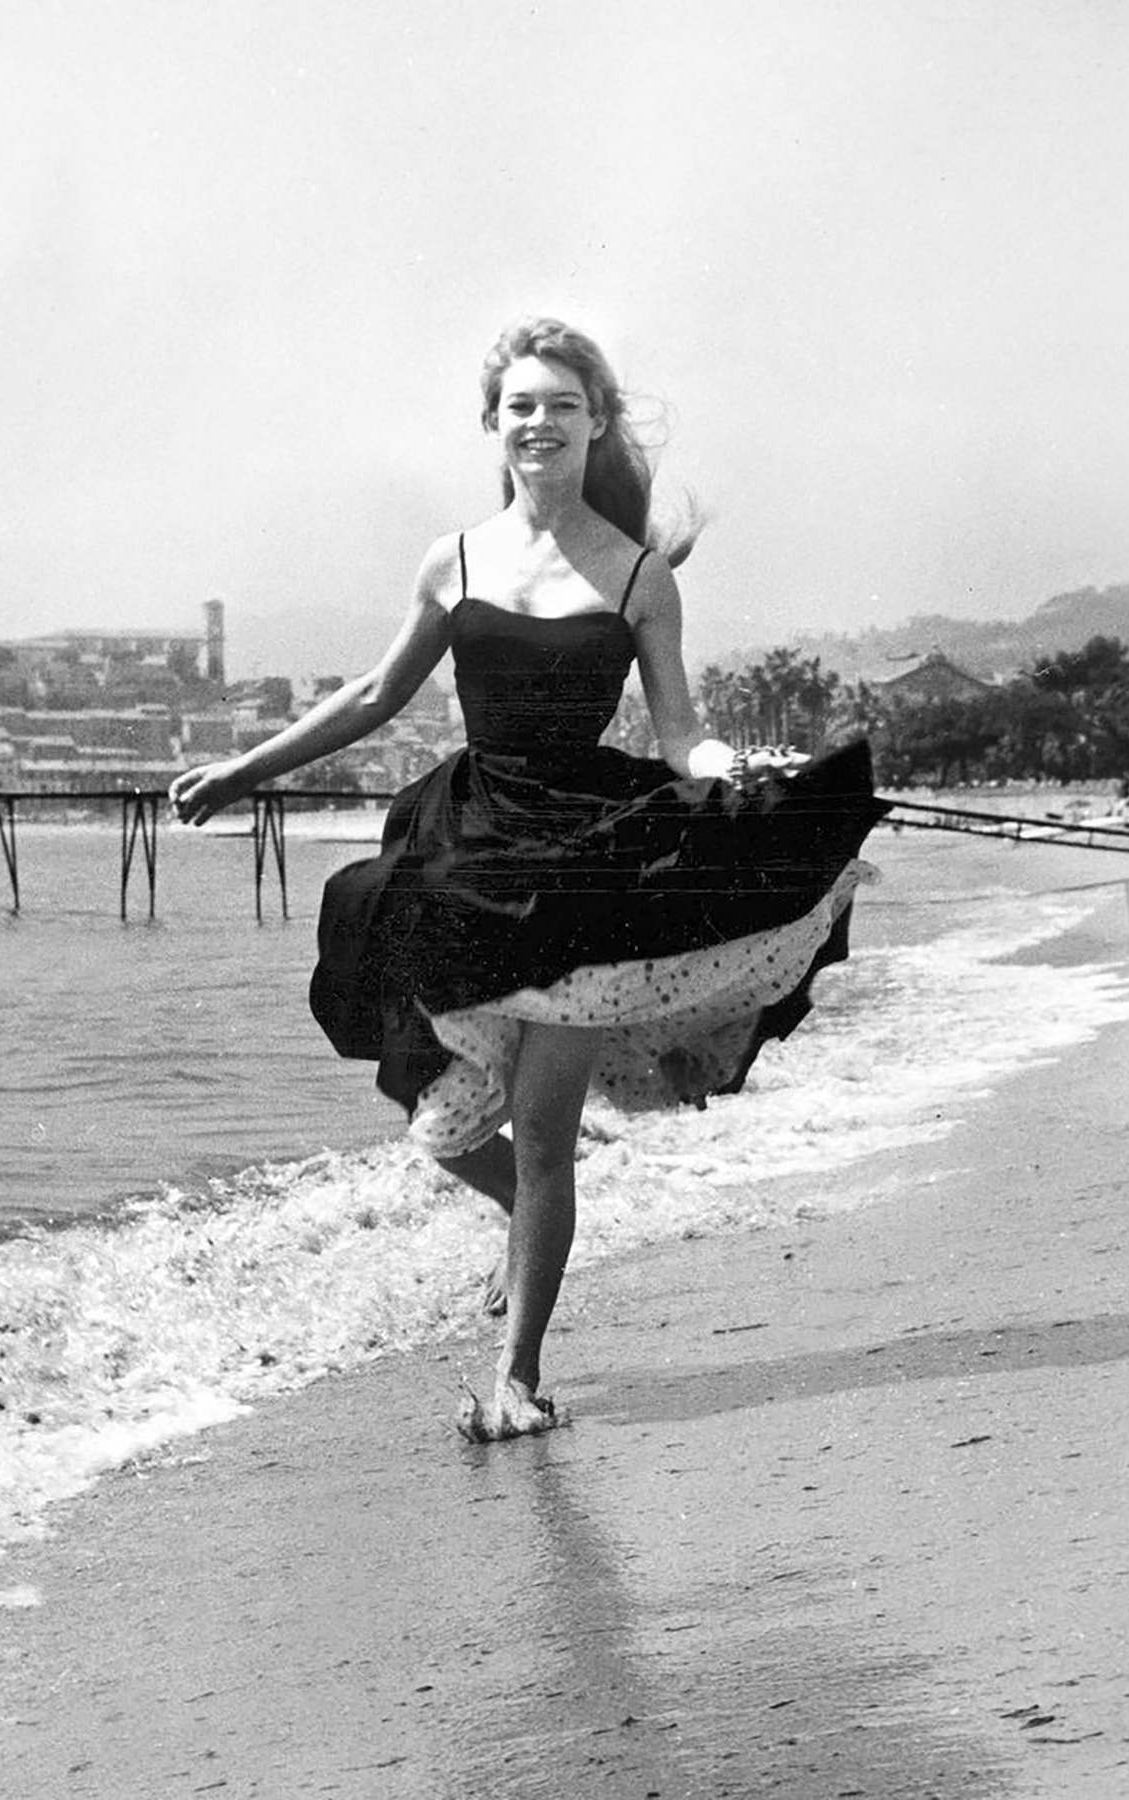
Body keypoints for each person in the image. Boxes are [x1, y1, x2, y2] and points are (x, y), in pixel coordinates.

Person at [170, 317, 889, 1444]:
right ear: (493, 426)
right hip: (468, 849)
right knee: (448, 1127)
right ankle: (529, 1225)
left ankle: (517, 1374)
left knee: (545, 1137)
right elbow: (370, 698)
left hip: (587, 874)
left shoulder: (641, 576)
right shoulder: (453, 561)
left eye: (561, 404)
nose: (539, 421)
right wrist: (247, 768)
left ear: (594, 422)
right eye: (520, 405)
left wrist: (729, 770)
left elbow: (681, 733)